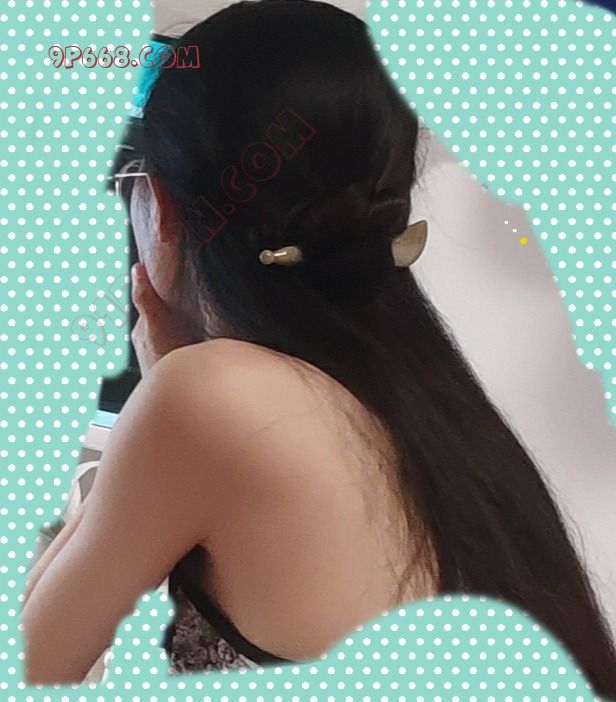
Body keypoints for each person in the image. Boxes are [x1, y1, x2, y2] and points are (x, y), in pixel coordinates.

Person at [21, 0, 616, 694]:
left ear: (164, 205)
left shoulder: (209, 398)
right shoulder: (421, 396)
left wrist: (160, 395)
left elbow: (29, 662)